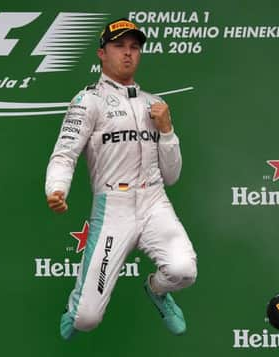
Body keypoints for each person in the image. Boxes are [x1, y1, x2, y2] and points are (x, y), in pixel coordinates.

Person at [45, 18, 197, 340]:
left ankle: (157, 291)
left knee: (184, 271)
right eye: (119, 47)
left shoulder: (154, 104)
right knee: (86, 320)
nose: (128, 54)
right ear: (102, 54)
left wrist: (167, 131)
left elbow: (172, 176)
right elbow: (64, 154)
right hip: (114, 207)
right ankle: (77, 307)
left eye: (134, 48)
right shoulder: (88, 101)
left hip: (154, 200)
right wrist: (56, 188)